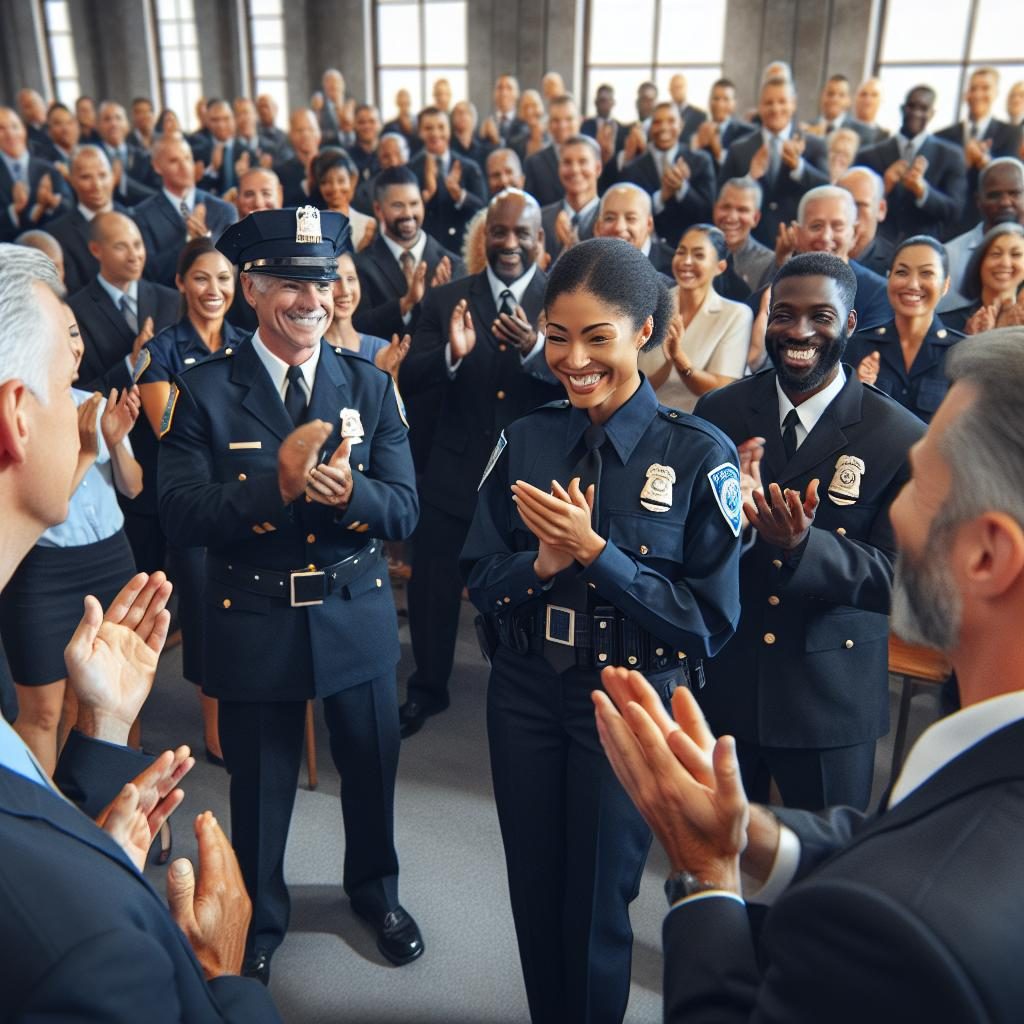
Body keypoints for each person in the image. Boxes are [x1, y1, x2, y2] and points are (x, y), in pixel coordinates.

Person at [595, 327, 1024, 1023]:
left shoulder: (895, 932)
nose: (894, 512)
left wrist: (706, 875)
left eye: (921, 481)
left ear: (986, 555)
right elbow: (903, 839)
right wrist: (756, 835)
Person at [461, 235, 741, 1023]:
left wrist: (597, 553)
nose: (572, 359)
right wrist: (542, 566)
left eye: (596, 337)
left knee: (593, 906)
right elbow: (479, 576)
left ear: (645, 332)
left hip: (626, 703)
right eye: (556, 336)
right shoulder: (528, 437)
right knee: (534, 887)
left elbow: (707, 622)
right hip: (523, 692)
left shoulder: (696, 454)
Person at [0, 242, 281, 1022]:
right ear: (18, 416)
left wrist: (101, 773)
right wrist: (225, 978)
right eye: (65, 382)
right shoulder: (96, 953)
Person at [158, 208, 424, 984]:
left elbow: (406, 508)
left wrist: (355, 498)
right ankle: (259, 917)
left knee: (371, 769)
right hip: (256, 613)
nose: (313, 298)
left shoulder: (369, 386)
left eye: (324, 281)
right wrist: (270, 489)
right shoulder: (203, 390)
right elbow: (179, 512)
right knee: (262, 784)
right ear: (251, 289)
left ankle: (378, 894)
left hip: (354, 611)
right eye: (291, 284)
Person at [693, 252, 925, 811]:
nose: (799, 332)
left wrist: (804, 546)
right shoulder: (719, 412)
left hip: (830, 691)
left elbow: (905, 580)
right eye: (783, 314)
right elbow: (684, 546)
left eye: (820, 316)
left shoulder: (899, 436)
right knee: (720, 864)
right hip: (729, 678)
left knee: (815, 877)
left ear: (849, 324)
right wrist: (735, 528)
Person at [397, 189, 562, 738]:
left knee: (530, 589)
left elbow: (585, 381)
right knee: (432, 589)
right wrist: (452, 354)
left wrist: (539, 350)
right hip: (452, 474)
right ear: (484, 236)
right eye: (500, 232)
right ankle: (428, 688)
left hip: (532, 482)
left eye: (521, 233)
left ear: (541, 239)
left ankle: (526, 694)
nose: (509, 243)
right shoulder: (447, 300)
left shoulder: (561, 299)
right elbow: (410, 376)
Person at [0, 315, 141, 774]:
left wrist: (115, 443)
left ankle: (112, 810)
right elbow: (45, 507)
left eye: (77, 333)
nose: (73, 346)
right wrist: (85, 448)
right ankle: (50, 827)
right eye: (59, 336)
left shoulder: (94, 403)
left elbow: (135, 487)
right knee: (43, 711)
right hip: (41, 569)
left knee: (110, 698)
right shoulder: (17, 415)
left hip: (110, 557)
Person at [137, 238, 249, 765]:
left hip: (250, 502)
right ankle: (216, 729)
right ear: (181, 282)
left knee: (250, 609)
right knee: (205, 615)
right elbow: (167, 429)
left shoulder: (250, 343)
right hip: (196, 506)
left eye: (225, 279)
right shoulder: (161, 350)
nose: (214, 289)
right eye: (202, 277)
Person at [847, 235, 963, 422]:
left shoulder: (961, 354)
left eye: (926, 273)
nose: (912, 284)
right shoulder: (856, 347)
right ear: (888, 278)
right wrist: (858, 390)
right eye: (902, 272)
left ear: (945, 285)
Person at [639, 224, 752, 413]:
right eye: (681, 252)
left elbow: (721, 390)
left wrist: (679, 359)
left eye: (699, 255)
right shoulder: (652, 305)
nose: (686, 261)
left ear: (720, 266)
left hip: (701, 426)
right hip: (648, 417)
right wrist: (668, 363)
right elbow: (636, 384)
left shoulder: (736, 315)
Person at [353, 165, 464, 349]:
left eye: (414, 204)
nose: (408, 214)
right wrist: (405, 303)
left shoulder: (453, 264)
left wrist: (439, 301)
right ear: (378, 209)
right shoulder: (361, 266)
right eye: (398, 205)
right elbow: (358, 329)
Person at [68, 211, 180, 388]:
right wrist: (131, 363)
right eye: (121, 247)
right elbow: (78, 393)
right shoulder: (74, 312)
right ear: (95, 250)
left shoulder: (172, 301)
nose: (134, 256)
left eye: (137, 244)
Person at [718, 77, 829, 246]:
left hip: (798, 244)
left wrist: (798, 168)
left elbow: (827, 191)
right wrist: (750, 178)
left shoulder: (814, 145)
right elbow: (720, 198)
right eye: (769, 103)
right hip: (750, 245)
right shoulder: (739, 148)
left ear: (793, 104)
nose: (775, 109)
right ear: (760, 107)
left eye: (782, 102)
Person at [770, 184, 893, 331]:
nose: (826, 237)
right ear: (797, 233)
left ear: (854, 233)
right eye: (816, 226)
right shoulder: (779, 288)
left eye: (837, 227)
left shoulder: (878, 293)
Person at [856, 85, 966, 242]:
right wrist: (883, 187)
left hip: (925, 247)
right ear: (902, 109)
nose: (916, 113)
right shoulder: (868, 155)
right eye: (911, 106)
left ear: (932, 114)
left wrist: (923, 191)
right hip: (877, 245)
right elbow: (854, 204)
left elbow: (955, 211)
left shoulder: (950, 156)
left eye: (923, 108)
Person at [134, 134, 237, 288]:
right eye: (174, 161)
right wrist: (187, 240)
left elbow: (233, 265)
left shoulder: (224, 210)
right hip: (171, 305)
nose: (184, 167)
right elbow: (150, 272)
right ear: (157, 166)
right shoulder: (142, 215)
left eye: (187, 158)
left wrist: (205, 239)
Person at [613, 101, 716, 248]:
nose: (664, 128)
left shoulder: (701, 161)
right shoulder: (632, 169)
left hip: (691, 249)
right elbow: (629, 215)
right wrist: (661, 197)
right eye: (657, 122)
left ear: (681, 125)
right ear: (650, 127)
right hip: (649, 253)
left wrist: (683, 188)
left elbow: (707, 213)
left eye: (671, 121)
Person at [936, 66, 1023, 234]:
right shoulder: (943, 136)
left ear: (996, 93)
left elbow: (1015, 182)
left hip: (993, 225)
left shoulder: (1012, 133)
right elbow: (936, 184)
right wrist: (963, 162)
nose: (978, 94)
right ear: (965, 94)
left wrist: (987, 164)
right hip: (949, 227)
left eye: (985, 88)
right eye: (973, 88)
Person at [939, 156, 1024, 312]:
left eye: (1014, 193)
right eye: (994, 195)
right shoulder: (949, 257)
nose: (1005, 202)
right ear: (978, 200)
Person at [47, 145, 127, 295]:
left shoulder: (136, 219)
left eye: (102, 175)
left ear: (114, 176)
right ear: (71, 180)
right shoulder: (58, 235)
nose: (96, 185)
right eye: (86, 177)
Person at [410, 106, 486, 247]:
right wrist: (427, 195)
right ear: (420, 132)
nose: (435, 133)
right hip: (426, 246)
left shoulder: (469, 167)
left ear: (449, 130)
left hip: (463, 246)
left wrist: (460, 195)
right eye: (428, 128)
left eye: (441, 127)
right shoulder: (411, 169)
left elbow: (484, 207)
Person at [324, 250, 411, 373]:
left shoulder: (382, 349)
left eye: (351, 278)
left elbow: (394, 392)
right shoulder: (307, 351)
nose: (345, 290)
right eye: (334, 279)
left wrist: (389, 375)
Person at [0, 106, 72, 242]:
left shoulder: (49, 169)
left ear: (24, 130)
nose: (10, 134)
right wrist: (14, 210)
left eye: (14, 127)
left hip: (50, 245)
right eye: (1, 129)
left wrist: (51, 202)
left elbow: (68, 206)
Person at [943, 222, 1024, 334]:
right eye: (996, 254)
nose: (1005, 263)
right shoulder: (946, 323)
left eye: (1015, 255)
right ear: (979, 262)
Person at [539, 134, 601, 262]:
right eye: (567, 162)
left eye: (582, 161)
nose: (574, 170)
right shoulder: (541, 219)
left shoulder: (611, 220)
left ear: (597, 168)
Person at [713, 176, 775, 296]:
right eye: (726, 207)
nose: (731, 217)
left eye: (742, 210)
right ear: (715, 209)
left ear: (755, 218)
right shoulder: (697, 254)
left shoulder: (769, 263)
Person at [594, 183, 675, 273]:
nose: (619, 227)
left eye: (630, 218)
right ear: (598, 226)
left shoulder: (673, 268)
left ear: (649, 224)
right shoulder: (587, 267)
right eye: (609, 218)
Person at [312, 147, 375, 251]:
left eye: (341, 181)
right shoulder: (311, 226)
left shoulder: (368, 224)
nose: (335, 188)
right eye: (325, 182)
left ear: (352, 180)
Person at [523, 94, 581, 207]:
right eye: (556, 120)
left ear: (579, 120)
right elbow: (530, 209)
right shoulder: (534, 163)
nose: (562, 125)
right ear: (548, 124)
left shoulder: (595, 157)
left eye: (569, 119)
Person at [96, 101, 158, 204]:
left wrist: (123, 182)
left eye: (118, 118)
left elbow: (155, 194)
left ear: (127, 124)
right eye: (107, 119)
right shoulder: (92, 157)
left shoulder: (144, 156)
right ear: (97, 126)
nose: (113, 124)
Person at [839, 165, 894, 276]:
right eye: (843, 206)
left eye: (859, 206)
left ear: (881, 209)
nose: (850, 215)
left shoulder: (896, 265)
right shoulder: (813, 254)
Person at [690, 79, 755, 165]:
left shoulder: (747, 132)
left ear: (734, 103)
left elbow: (742, 167)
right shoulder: (699, 129)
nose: (720, 104)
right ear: (709, 101)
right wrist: (694, 149)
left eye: (726, 99)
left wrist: (717, 148)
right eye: (716, 99)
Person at [853, 75, 889, 144]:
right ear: (855, 99)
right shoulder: (842, 128)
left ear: (882, 100)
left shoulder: (886, 137)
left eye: (874, 95)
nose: (868, 99)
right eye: (863, 94)